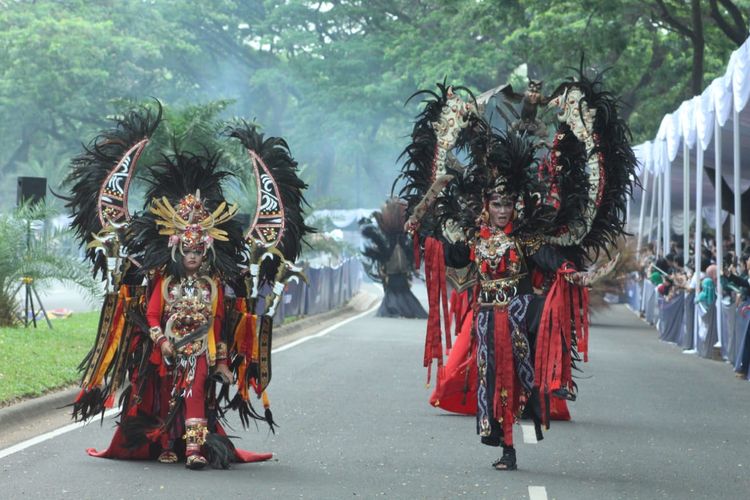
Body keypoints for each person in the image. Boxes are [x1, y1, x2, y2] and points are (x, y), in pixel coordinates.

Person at [396, 67, 636, 471]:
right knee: (493, 381)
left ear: (515, 207)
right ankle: (505, 444)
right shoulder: (475, 237)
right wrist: (425, 221)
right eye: (497, 204)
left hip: (521, 315)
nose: (503, 209)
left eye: (508, 204)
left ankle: (534, 405)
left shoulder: (527, 239)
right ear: (487, 205)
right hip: (487, 319)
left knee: (520, 379)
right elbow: (455, 259)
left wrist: (582, 275)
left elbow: (556, 264)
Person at [64, 105, 311, 469]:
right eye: (188, 249)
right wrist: (161, 341)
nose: (193, 255)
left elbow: (222, 323)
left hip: (200, 350)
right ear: (177, 247)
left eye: (198, 250)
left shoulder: (214, 284)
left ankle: (193, 450)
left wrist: (224, 361)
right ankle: (165, 441)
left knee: (196, 395)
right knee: (163, 395)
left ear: (207, 248)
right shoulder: (163, 280)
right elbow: (150, 314)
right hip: (164, 349)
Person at [360, 198, 428, 318]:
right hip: (395, 267)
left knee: (399, 291)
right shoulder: (394, 240)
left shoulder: (398, 240)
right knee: (398, 291)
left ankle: (395, 309)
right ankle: (397, 309)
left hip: (398, 267)